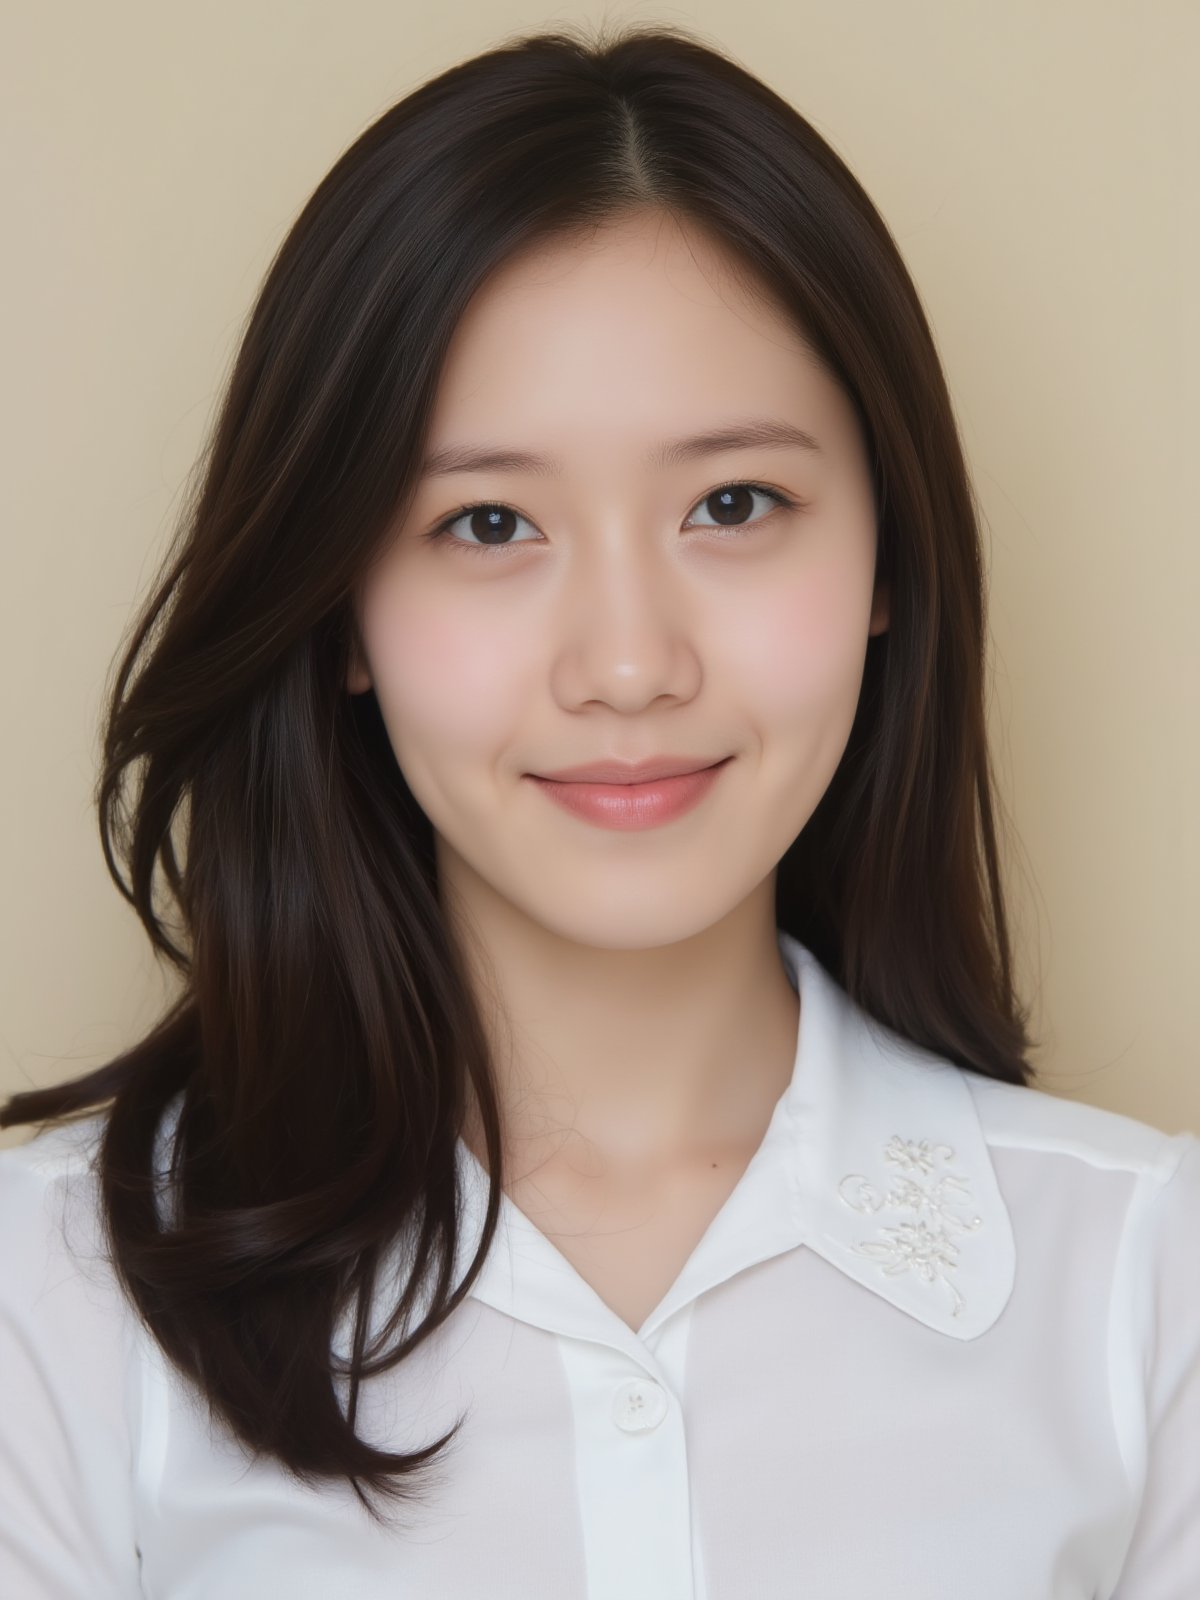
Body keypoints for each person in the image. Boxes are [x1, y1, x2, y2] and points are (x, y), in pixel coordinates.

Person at [1, 20, 1195, 1599]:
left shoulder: (1146, 1290)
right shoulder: (54, 1297)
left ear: (889, 563)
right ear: (339, 604)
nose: (629, 665)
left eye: (734, 505)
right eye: (489, 522)